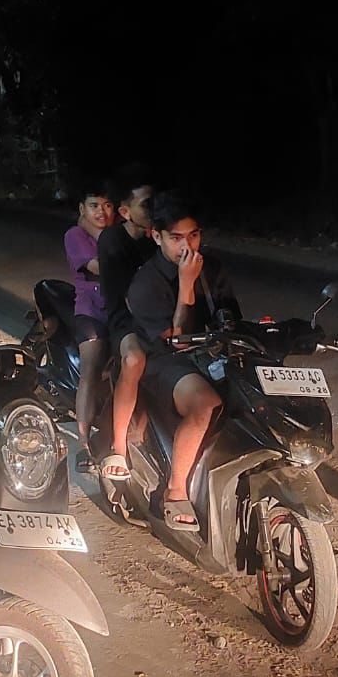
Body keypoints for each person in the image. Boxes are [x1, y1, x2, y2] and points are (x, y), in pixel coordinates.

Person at [125, 192, 240, 530]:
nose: (187, 246)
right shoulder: (146, 282)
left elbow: (231, 318)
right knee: (206, 403)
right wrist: (186, 284)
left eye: (194, 235)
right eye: (176, 238)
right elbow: (177, 338)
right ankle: (175, 490)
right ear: (156, 236)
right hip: (164, 360)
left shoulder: (213, 268)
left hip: (211, 353)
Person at [96, 181, 156, 483]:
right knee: (134, 359)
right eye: (146, 204)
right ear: (125, 211)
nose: (153, 210)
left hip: (159, 315)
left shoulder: (156, 238)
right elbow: (130, 298)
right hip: (126, 318)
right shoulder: (112, 240)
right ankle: (117, 444)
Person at [62, 185, 115, 471]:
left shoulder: (117, 233)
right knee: (90, 372)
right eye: (94, 205)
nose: (101, 212)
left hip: (120, 311)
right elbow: (98, 266)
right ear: (82, 208)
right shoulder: (75, 235)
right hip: (91, 311)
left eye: (107, 205)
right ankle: (83, 443)